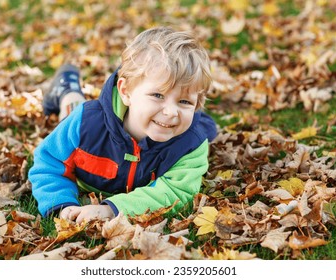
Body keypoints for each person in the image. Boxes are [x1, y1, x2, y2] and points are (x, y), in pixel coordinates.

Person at [28, 26, 217, 224]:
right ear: (125, 92)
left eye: (185, 101)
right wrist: (62, 204)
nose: (171, 111)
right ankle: (67, 87)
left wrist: (113, 209)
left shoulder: (190, 143)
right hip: (88, 119)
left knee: (205, 128)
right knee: (70, 110)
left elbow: (175, 191)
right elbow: (48, 164)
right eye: (157, 95)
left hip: (190, 130)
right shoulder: (84, 124)